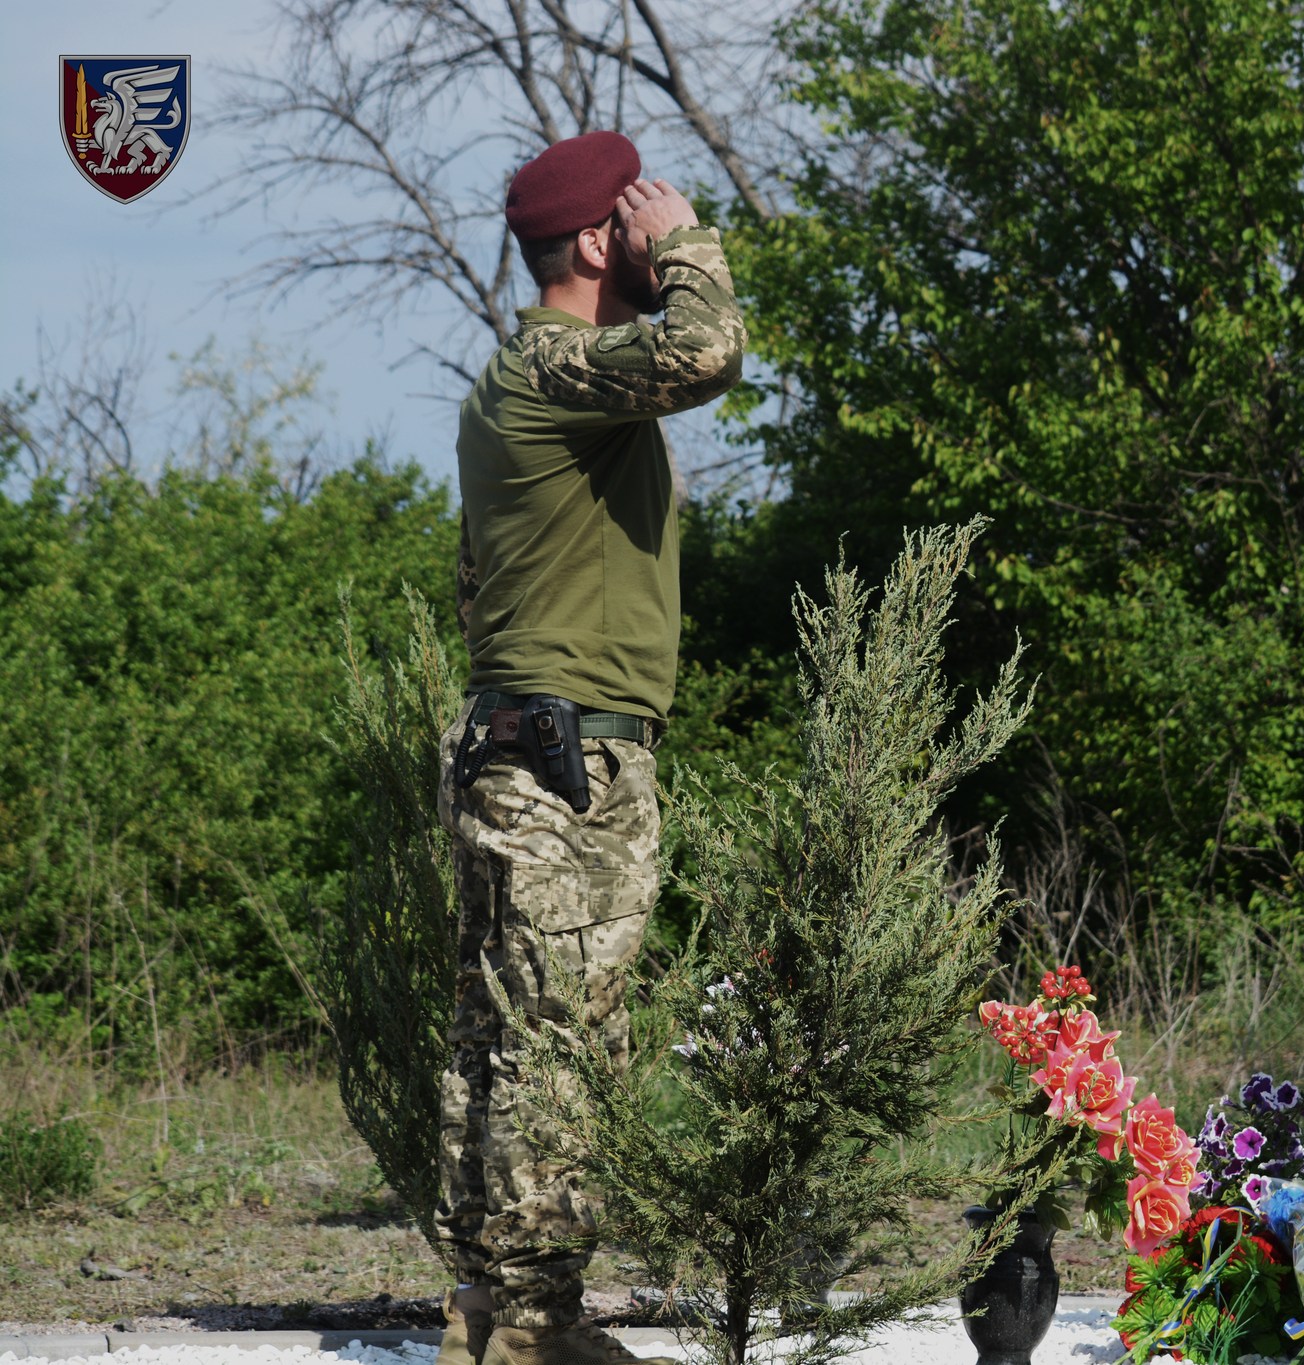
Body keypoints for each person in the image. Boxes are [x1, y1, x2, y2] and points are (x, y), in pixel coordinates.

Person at [433, 130, 746, 1365]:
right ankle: (527, 1331)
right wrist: (690, 251)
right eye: (643, 216)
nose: (661, 230)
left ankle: (491, 1317)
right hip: (558, 768)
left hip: (539, 753)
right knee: (551, 1046)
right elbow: (708, 347)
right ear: (601, 239)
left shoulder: (534, 379)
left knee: (514, 1041)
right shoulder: (553, 366)